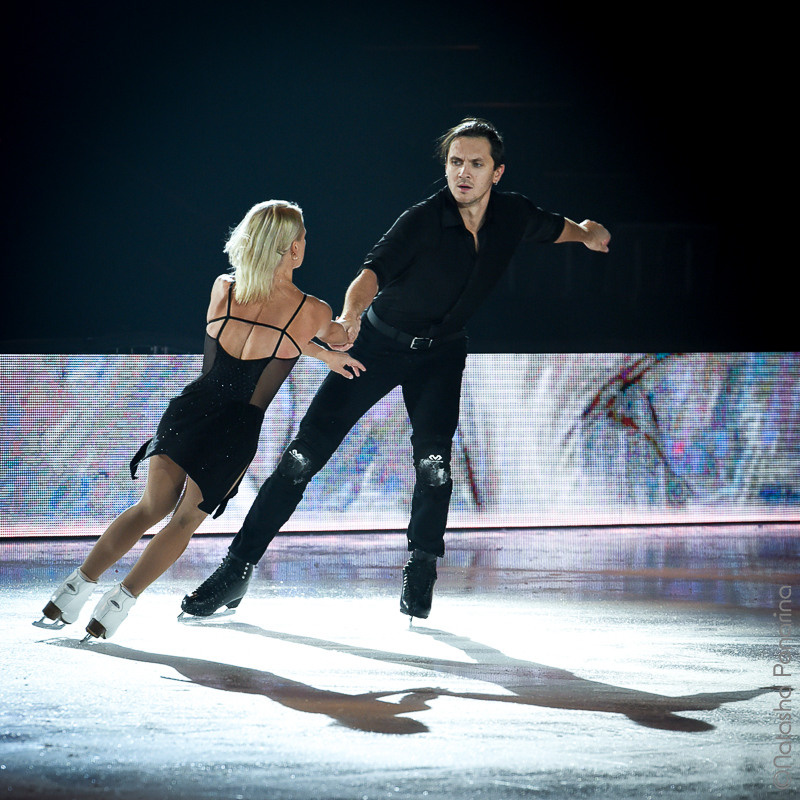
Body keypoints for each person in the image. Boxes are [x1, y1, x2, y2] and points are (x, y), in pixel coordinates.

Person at [181, 118, 610, 622]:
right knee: (301, 457)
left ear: (496, 173)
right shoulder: (422, 221)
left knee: (434, 466)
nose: (463, 173)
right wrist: (350, 317)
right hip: (377, 346)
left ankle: (422, 564)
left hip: (441, 355)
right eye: (454, 162)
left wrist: (587, 234)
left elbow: (559, 228)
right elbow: (369, 276)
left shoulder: (513, 214)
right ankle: (237, 567)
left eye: (475, 164)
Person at [34, 200, 365, 640]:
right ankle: (114, 608)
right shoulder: (311, 311)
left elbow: (270, 332)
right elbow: (322, 335)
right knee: (184, 521)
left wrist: (318, 353)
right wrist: (348, 323)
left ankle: (69, 593)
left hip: (190, 410)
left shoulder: (224, 288)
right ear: (295, 249)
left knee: (150, 507)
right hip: (237, 426)